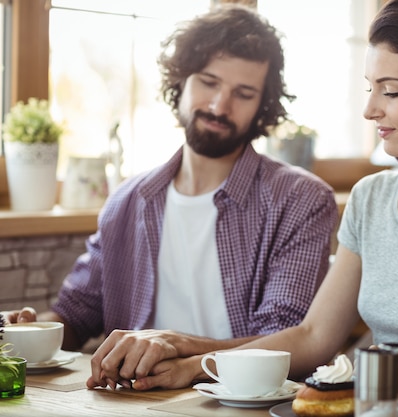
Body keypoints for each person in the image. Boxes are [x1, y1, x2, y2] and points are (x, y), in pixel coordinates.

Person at [127, 0, 398, 413]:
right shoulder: (369, 199)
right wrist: (197, 364)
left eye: (390, 91)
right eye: (370, 88)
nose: (370, 109)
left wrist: (385, 378)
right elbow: (314, 336)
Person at [1, 4, 338, 391]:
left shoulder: (301, 200)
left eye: (243, 94)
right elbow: (77, 313)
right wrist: (27, 328)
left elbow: (287, 341)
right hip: (135, 403)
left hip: (241, 405)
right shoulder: (127, 200)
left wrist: (184, 354)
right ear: (181, 81)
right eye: (208, 82)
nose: (218, 106)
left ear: (263, 106)